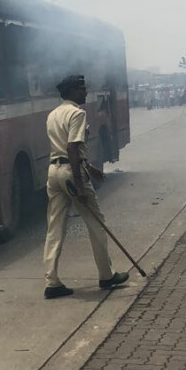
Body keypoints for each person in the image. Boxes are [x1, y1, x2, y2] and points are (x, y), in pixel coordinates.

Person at [43, 74, 129, 299]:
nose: (86, 92)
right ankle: (106, 276)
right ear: (72, 91)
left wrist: (91, 168)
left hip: (54, 172)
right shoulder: (77, 114)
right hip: (71, 175)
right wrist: (80, 187)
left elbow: (64, 149)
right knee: (96, 224)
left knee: (55, 228)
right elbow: (72, 149)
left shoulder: (53, 114)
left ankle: (52, 282)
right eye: (82, 88)